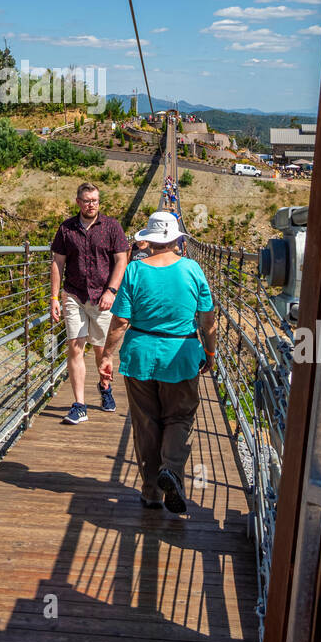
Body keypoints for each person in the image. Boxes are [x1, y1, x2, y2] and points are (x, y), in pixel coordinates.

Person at [99, 211, 216, 514]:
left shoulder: (135, 271)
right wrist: (211, 352)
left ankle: (151, 492)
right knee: (180, 417)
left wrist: (107, 355)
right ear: (178, 239)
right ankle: (172, 470)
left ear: (148, 240)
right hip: (182, 353)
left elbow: (121, 320)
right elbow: (207, 319)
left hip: (141, 354)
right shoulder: (192, 269)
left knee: (146, 423)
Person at [50, 182, 129, 424]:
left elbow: (121, 260)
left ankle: (105, 387)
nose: (91, 204)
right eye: (86, 200)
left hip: (103, 297)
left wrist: (112, 291)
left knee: (101, 350)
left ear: (98, 202)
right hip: (74, 295)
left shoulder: (112, 226)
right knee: (75, 346)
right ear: (78, 202)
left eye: (94, 200)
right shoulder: (66, 229)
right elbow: (57, 263)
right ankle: (79, 405)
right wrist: (54, 297)